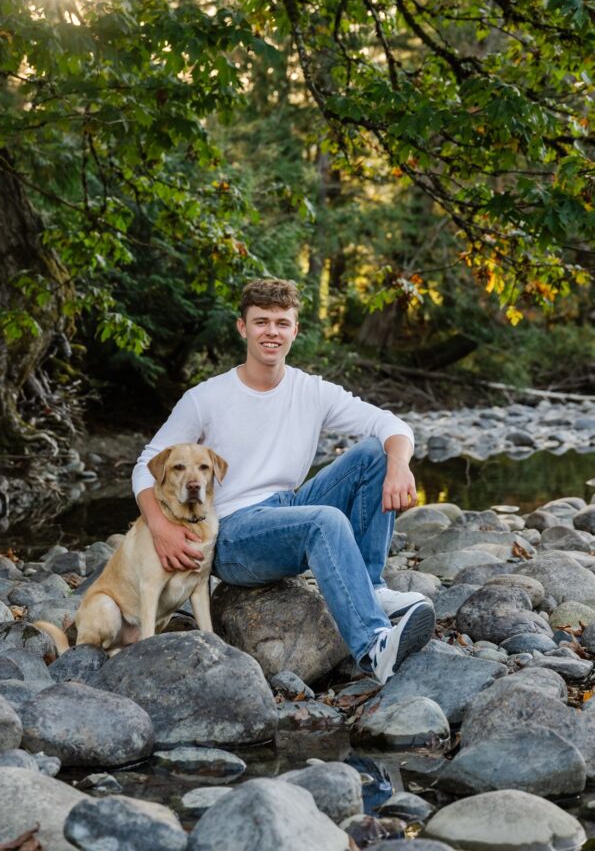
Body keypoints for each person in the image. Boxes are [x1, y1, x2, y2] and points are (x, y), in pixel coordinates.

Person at [131, 278, 435, 683]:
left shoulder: (310, 390)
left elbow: (388, 423)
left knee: (374, 453)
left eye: (281, 322)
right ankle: (374, 645)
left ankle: (370, 587)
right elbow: (147, 463)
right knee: (324, 521)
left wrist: (399, 463)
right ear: (243, 327)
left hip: (286, 507)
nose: (271, 332)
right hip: (233, 535)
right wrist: (160, 525)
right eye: (261, 322)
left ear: (295, 330)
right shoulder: (206, 398)